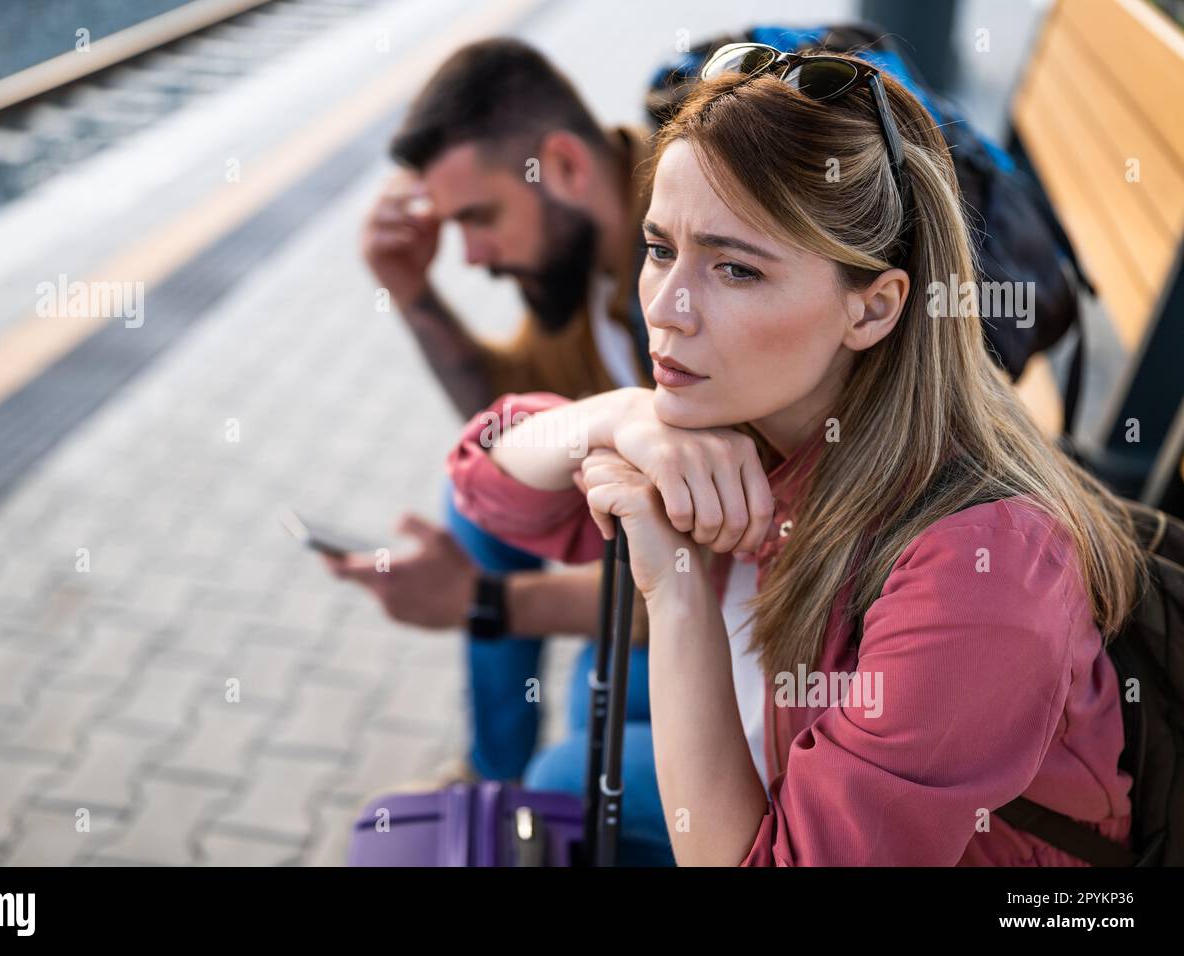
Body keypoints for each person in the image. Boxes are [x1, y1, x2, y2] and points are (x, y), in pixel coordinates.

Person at [444, 44, 1144, 865]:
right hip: (789, 717)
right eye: (661, 248)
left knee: (570, 766)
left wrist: (675, 594)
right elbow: (485, 483)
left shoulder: (979, 570)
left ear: (872, 309)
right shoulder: (753, 408)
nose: (666, 309)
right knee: (591, 699)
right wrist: (620, 416)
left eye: (735, 269)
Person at [326, 37, 663, 836]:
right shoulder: (585, 264)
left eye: (478, 218)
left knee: (587, 725)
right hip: (682, 563)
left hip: (783, 629)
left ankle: (528, 796)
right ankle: (492, 778)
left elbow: (714, 583)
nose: (470, 256)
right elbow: (506, 419)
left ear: (564, 167)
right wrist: (413, 295)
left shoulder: (685, 264)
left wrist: (481, 602)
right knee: (475, 500)